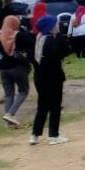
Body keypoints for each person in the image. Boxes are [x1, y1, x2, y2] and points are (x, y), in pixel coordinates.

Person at [29, 16, 69, 145]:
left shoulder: (38, 38)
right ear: (51, 26)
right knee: (55, 106)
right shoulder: (52, 40)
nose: (57, 26)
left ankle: (34, 134)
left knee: (42, 106)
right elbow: (64, 52)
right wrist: (61, 37)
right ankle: (53, 135)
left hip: (39, 76)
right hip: (53, 76)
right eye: (55, 24)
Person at [0, 15, 32, 128]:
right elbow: (31, 45)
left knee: (8, 95)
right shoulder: (19, 35)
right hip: (18, 67)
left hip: (3, 69)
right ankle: (10, 113)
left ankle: (10, 123)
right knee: (23, 91)